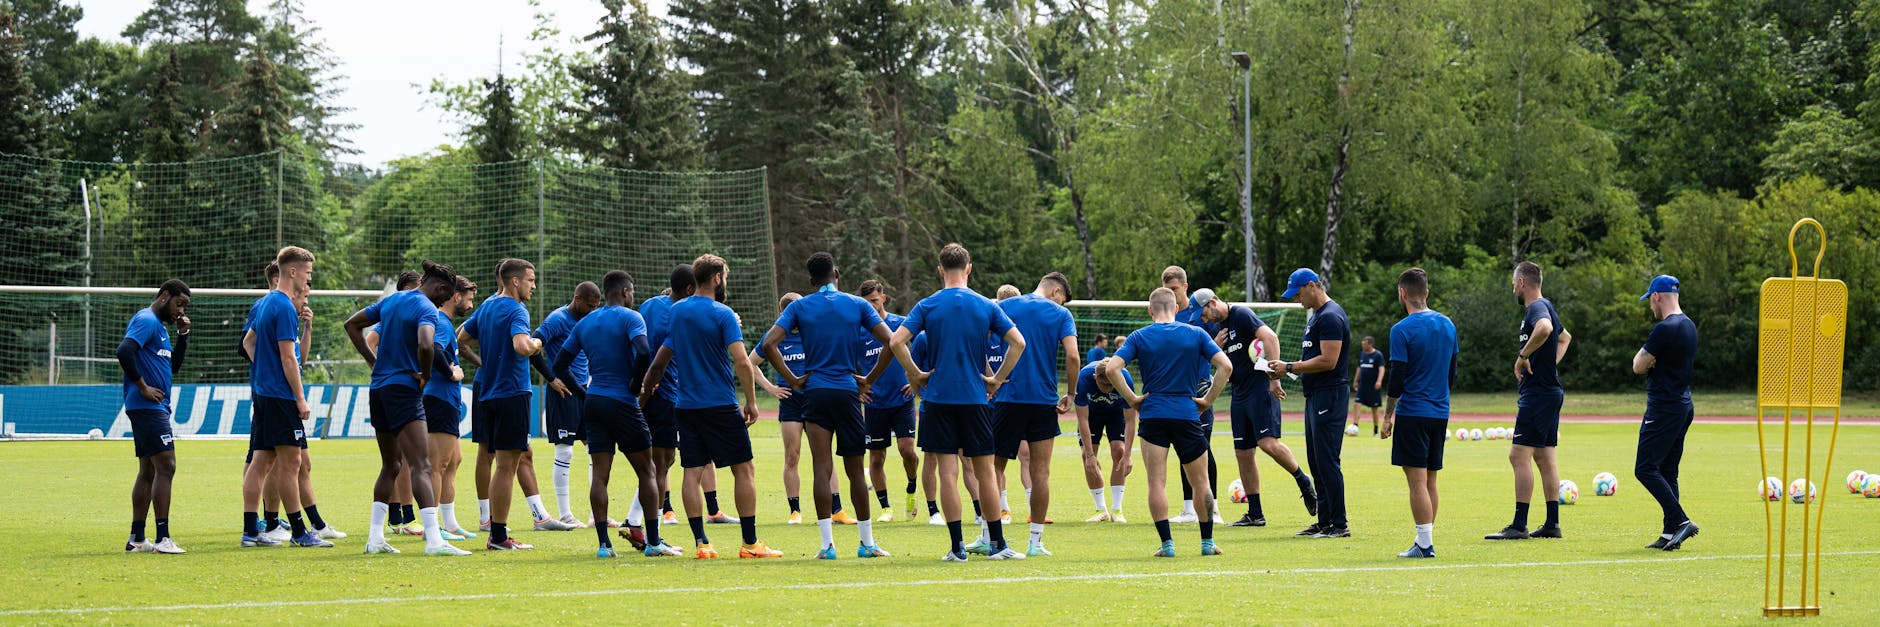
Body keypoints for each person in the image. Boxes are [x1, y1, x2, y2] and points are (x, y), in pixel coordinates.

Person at [887, 243, 1028, 562]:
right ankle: (998, 545)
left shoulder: (927, 305)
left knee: (947, 473)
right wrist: (995, 379)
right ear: (969, 268)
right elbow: (1018, 342)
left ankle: (956, 548)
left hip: (937, 399)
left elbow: (896, 341)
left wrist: (917, 374)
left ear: (940, 270)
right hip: (975, 399)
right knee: (986, 473)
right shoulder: (985, 305)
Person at [640, 254, 783, 559]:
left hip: (685, 406)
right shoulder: (724, 314)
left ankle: (702, 544)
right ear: (717, 278)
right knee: (743, 468)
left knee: (691, 472)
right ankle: (750, 543)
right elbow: (742, 361)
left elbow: (662, 358)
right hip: (719, 403)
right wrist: (752, 402)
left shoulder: (676, 312)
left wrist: (646, 390)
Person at [760, 252, 896, 559]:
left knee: (821, 469)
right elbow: (892, 341)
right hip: (848, 393)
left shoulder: (799, 306)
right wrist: (869, 380)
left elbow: (768, 344)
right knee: (855, 473)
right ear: (837, 273)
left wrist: (793, 380)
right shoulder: (858, 304)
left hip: (815, 393)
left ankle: (827, 546)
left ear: (811, 280)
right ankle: (867, 544)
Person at [343, 259, 472, 556]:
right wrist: (425, 377)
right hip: (404, 390)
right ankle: (434, 540)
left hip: (379, 390)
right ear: (440, 289)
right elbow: (426, 345)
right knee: (421, 465)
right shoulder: (427, 309)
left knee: (391, 464)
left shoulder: (392, 301)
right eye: (446, 295)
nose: (446, 301)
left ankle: (375, 538)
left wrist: (372, 361)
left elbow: (351, 324)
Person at [1098, 287, 1232, 558]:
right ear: (1176, 309)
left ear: (1150, 310)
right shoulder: (1195, 334)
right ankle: (1206, 543)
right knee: (1201, 482)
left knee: (1156, 483)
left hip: (1153, 415)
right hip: (1187, 414)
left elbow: (1112, 368)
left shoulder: (1140, 336)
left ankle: (1167, 545)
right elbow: (1226, 366)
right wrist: (1207, 400)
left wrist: (1133, 399)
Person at [556, 270, 677, 558]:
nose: (632, 296)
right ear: (624, 292)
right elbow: (645, 351)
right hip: (622, 401)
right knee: (647, 470)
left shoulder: (585, 323)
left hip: (594, 401)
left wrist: (583, 392)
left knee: (600, 474)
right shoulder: (631, 318)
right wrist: (637, 384)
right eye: (631, 291)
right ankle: (654, 542)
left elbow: (560, 364)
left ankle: (603, 545)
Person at [1194, 288, 1317, 527]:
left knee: (1267, 443)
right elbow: (1219, 364)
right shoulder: (1217, 330)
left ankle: (1303, 481)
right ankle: (1255, 513)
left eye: (1204, 314)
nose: (1204, 319)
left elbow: (1270, 338)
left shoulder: (1241, 314)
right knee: (1243, 453)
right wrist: (1215, 348)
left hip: (1260, 389)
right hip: (1238, 393)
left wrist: (1274, 378)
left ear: (1212, 302)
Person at [240, 262, 342, 542]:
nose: (309, 279)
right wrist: (300, 398)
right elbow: (288, 359)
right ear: (292, 272)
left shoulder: (266, 303)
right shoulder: (283, 306)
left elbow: (249, 343)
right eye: (308, 273)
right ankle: (299, 531)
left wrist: (263, 370)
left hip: (264, 393)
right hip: (279, 395)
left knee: (260, 461)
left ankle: (252, 531)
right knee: (291, 463)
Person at [984, 272, 1079, 557]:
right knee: (1041, 473)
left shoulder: (1004, 306)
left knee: (993, 467)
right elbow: (1073, 357)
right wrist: (1071, 394)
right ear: (1056, 292)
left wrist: (993, 378)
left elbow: (977, 341)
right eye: (1063, 297)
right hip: (1043, 401)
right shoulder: (1060, 314)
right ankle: (1035, 542)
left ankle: (988, 536)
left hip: (1008, 399)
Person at [458, 258, 548, 550]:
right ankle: (498, 536)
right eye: (530, 280)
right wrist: (537, 343)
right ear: (514, 281)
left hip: (489, 392)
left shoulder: (486, 306)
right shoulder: (516, 310)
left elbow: (462, 337)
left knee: (499, 462)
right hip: (512, 392)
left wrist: (489, 348)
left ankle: (495, 529)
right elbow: (521, 346)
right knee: (507, 466)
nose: (533, 285)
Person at [1487, 261, 1573, 541]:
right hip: (1548, 391)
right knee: (1544, 457)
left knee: (1518, 456)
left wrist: (1524, 356)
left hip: (1538, 395)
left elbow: (1547, 330)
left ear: (1522, 283)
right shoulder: (1546, 304)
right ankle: (1552, 524)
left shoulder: (1536, 308)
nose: (1513, 288)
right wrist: (1548, 364)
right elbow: (1565, 338)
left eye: (1514, 283)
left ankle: (1519, 524)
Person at [1378, 268, 1457, 559]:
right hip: (1440, 411)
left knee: (1417, 482)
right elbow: (1452, 372)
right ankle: (1424, 539)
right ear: (1426, 292)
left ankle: (1425, 544)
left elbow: (1397, 376)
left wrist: (1388, 417)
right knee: (1431, 480)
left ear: (1402, 293)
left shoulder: (1401, 330)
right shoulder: (1448, 325)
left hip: (1413, 412)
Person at [1268, 267, 1352, 539]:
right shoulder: (1316, 317)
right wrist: (1285, 370)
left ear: (1313, 286)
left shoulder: (1330, 316)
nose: (1296, 299)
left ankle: (1339, 524)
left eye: (1298, 293)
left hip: (1330, 393)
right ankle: (1325, 521)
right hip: (1315, 394)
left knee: (1327, 460)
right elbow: (1314, 358)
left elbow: (1329, 360)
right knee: (1316, 461)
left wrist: (1289, 366)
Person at [758, 292, 846, 526]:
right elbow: (750, 362)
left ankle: (837, 509)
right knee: (792, 455)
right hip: (790, 402)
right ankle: (795, 510)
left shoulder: (814, 331)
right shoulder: (775, 336)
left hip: (815, 398)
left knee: (825, 455)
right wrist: (771, 388)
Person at [119, 279, 191, 554]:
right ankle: (163, 538)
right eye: (178, 303)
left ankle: (137, 538)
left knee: (148, 470)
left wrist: (182, 336)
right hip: (147, 407)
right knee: (167, 465)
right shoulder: (147, 320)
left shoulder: (159, 329)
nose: (180, 311)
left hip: (153, 408)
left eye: (184, 306)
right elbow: (124, 351)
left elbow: (172, 368)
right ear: (163, 297)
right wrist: (142, 387)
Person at [1633, 275, 1700, 551]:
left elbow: (1637, 365)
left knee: (1645, 468)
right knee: (1668, 470)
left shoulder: (1664, 328)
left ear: (1657, 296)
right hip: (1684, 405)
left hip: (1663, 407)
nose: (1650, 306)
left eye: (1650, 300)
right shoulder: (1689, 326)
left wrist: (1651, 363)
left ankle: (1681, 520)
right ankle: (1669, 531)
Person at [630, 264, 693, 540]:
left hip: (644, 391)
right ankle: (649, 535)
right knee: (661, 464)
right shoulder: (681, 316)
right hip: (665, 394)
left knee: (654, 464)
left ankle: (634, 520)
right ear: (690, 289)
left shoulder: (650, 305)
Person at [535, 283, 604, 529]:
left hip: (585, 391)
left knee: (596, 450)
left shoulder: (589, 319)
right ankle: (565, 514)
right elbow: (534, 347)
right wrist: (552, 379)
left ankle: (597, 515)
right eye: (589, 305)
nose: (592, 310)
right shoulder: (557, 319)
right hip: (563, 393)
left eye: (596, 306)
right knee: (565, 451)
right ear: (577, 298)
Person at [1161, 266, 1222, 524]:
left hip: (1198, 388)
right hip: (1176, 390)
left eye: (1174, 289)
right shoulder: (1167, 315)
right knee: (1183, 449)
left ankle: (1214, 509)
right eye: (1167, 290)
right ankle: (1189, 509)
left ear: (1185, 287)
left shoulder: (1200, 312)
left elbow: (1215, 346)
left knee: (1202, 448)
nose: (1171, 294)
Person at [858, 280, 921, 523]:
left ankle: (912, 486)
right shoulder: (859, 331)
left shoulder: (901, 324)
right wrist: (857, 389)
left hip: (902, 399)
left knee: (907, 450)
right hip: (874, 403)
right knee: (876, 458)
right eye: (866, 303)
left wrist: (916, 380)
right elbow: (849, 364)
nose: (871, 307)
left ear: (883, 298)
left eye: (874, 301)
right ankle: (885, 508)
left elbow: (923, 351)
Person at [424, 274, 479, 540]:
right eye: (467, 300)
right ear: (455, 297)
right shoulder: (442, 322)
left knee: (453, 460)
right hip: (439, 399)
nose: (469, 306)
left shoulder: (442, 322)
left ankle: (450, 523)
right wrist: (450, 373)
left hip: (446, 400)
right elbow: (433, 349)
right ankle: (432, 528)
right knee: (437, 464)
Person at [1074, 357, 1135, 524]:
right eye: (1104, 386)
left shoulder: (1125, 378)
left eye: (1112, 386)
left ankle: (1117, 509)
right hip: (1092, 415)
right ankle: (1101, 510)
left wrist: (1128, 454)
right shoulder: (1084, 378)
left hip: (1116, 414)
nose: (1108, 391)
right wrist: (1089, 456)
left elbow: (1130, 419)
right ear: (1095, 378)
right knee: (1087, 455)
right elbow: (1082, 419)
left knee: (1120, 451)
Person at [1353, 337, 1385, 434]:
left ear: (1370, 344)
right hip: (1363, 385)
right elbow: (1359, 368)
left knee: (1374, 409)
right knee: (1356, 404)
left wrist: (1379, 381)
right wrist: (1355, 380)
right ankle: (1355, 427)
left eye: (1364, 344)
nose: (1363, 345)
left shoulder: (1378, 355)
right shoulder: (1362, 354)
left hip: (1373, 386)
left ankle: (1375, 430)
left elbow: (1382, 369)